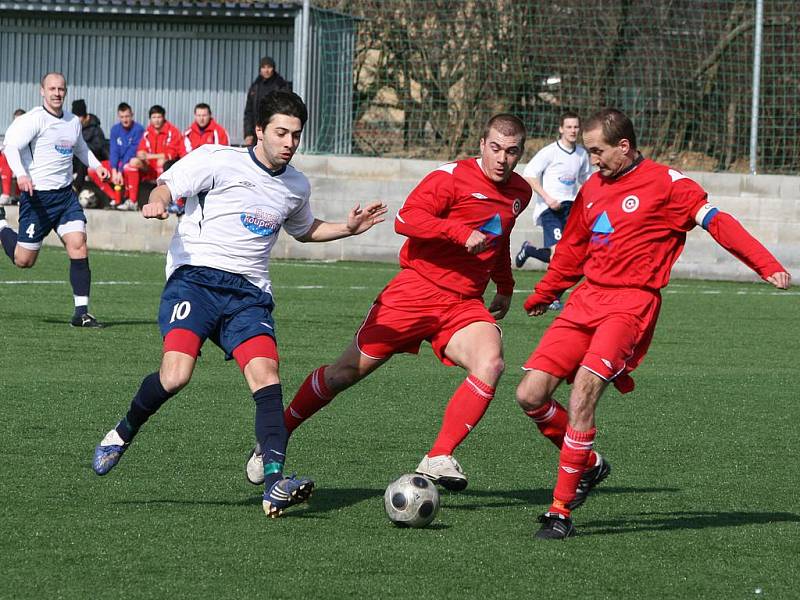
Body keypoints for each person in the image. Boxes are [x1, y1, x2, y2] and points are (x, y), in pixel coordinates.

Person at [91, 91, 388, 520]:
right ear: (260, 132)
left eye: (296, 135)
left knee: (267, 379)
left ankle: (274, 484)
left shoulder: (295, 186)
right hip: (196, 280)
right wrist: (158, 200)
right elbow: (169, 183)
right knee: (176, 376)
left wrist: (348, 227)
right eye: (281, 133)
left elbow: (304, 230)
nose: (289, 142)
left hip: (248, 295)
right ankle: (123, 431)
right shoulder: (217, 158)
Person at [515, 108, 792, 540]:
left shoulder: (668, 184)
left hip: (630, 305)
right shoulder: (592, 189)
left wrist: (764, 264)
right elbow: (571, 249)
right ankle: (588, 463)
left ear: (623, 146)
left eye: (598, 152)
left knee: (585, 389)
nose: (593, 161)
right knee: (529, 394)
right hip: (586, 300)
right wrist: (546, 293)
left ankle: (560, 511)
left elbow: (718, 222)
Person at [245, 113, 532, 492]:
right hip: (414, 292)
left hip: (463, 303)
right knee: (343, 374)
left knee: (490, 362)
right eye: (495, 148)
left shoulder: (520, 193)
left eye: (511, 152)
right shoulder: (450, 178)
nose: (502, 159)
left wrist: (506, 285)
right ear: (481, 144)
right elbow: (406, 219)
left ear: (520, 153)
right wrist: (458, 233)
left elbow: (501, 236)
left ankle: (439, 456)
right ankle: (275, 435)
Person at [0, 73, 109, 328]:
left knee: (78, 244)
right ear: (42, 91)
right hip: (37, 199)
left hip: (64, 197)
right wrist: (21, 175)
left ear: (66, 92)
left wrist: (96, 166)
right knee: (23, 261)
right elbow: (11, 147)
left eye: (61, 89)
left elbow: (80, 147)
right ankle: (2, 227)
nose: (57, 93)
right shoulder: (33, 120)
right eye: (52, 88)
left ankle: (81, 313)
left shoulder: (72, 121)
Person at [515, 111, 591, 310]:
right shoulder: (550, 152)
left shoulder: (582, 154)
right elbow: (529, 174)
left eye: (576, 127)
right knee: (559, 253)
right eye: (569, 127)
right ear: (560, 129)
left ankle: (530, 250)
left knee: (568, 254)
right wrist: (547, 197)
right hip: (550, 209)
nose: (573, 130)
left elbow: (587, 181)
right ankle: (554, 297)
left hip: (571, 209)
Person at [122, 105, 184, 210]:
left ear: (163, 117)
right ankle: (132, 201)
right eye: (154, 117)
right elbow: (140, 150)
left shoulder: (173, 131)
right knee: (132, 163)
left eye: (159, 117)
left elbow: (171, 155)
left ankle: (162, 202)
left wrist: (150, 156)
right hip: (149, 169)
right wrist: (141, 154)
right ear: (150, 119)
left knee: (162, 163)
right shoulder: (147, 132)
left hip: (165, 169)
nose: (156, 120)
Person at [70, 99, 117, 207]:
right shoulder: (74, 127)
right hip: (76, 159)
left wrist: (83, 149)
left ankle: (76, 187)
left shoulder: (95, 128)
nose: (77, 120)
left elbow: (98, 147)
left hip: (93, 159)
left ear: (85, 116)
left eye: (79, 117)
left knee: (84, 157)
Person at [243, 56, 290, 146]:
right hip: (257, 133)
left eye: (269, 67)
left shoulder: (281, 86)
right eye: (263, 67)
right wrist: (248, 133)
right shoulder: (255, 87)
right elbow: (249, 112)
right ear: (260, 69)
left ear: (273, 68)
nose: (266, 70)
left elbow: (286, 111)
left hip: (275, 132)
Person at [109, 102, 145, 207]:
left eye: (127, 116)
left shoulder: (138, 129)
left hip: (129, 163)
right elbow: (114, 150)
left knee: (130, 165)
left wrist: (119, 170)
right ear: (118, 117)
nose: (125, 119)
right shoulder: (115, 129)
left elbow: (132, 152)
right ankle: (114, 198)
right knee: (93, 170)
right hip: (118, 165)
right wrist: (114, 170)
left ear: (132, 115)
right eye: (122, 117)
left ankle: (133, 201)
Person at [0, 109, 25, 205]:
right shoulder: (11, 131)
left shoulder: (30, 131)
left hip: (26, 161)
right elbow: (7, 146)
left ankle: (13, 194)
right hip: (12, 161)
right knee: (4, 155)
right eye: (15, 121)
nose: (17, 124)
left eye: (20, 121)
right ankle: (8, 194)